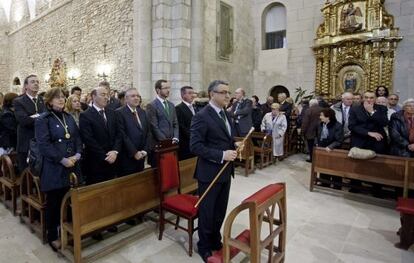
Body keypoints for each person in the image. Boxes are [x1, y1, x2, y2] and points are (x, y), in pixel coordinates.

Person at [190, 80, 237, 262]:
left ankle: (215, 240)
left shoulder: (225, 113)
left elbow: (225, 139)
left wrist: (234, 144)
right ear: (212, 94)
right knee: (207, 213)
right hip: (209, 173)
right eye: (223, 92)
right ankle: (204, 246)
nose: (227, 95)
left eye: (228, 92)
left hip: (225, 171)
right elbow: (195, 146)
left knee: (219, 211)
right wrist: (222, 155)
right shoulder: (202, 116)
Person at [35, 88, 82, 252]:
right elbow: (44, 145)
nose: (61, 100)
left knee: (69, 199)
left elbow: (76, 137)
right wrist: (61, 160)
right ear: (49, 101)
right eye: (57, 98)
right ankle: (52, 234)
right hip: (54, 166)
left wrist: (77, 154)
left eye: (63, 97)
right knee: (54, 202)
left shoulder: (68, 117)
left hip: (72, 164)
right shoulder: (43, 119)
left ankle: (68, 228)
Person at [79, 85, 122, 185]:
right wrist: (105, 156)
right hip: (96, 162)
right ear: (93, 96)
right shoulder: (85, 115)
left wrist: (115, 152)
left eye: (107, 95)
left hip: (114, 159)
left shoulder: (112, 113)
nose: (106, 97)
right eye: (103, 94)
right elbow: (88, 139)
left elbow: (119, 134)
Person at [348, 91, 388, 195]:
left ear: (375, 99)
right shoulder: (355, 109)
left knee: (377, 165)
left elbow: (384, 122)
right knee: (357, 164)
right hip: (360, 139)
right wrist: (368, 133)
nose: (368, 100)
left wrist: (372, 112)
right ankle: (355, 186)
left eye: (371, 97)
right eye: (366, 97)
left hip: (377, 141)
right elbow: (351, 126)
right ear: (362, 98)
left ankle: (376, 188)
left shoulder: (381, 108)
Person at [13, 75, 46, 173]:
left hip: (42, 140)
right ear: (26, 86)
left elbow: (48, 117)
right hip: (26, 141)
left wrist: (34, 116)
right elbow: (24, 121)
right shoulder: (18, 101)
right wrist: (41, 116)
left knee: (42, 172)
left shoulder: (43, 100)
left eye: (37, 82)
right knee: (26, 174)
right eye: (32, 82)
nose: (36, 83)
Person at [116, 88, 150, 176]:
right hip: (127, 157)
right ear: (126, 99)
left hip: (141, 155)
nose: (136, 98)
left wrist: (145, 150)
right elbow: (123, 135)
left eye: (138, 96)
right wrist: (134, 152)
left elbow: (148, 132)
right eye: (133, 96)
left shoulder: (142, 112)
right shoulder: (119, 113)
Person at [146, 79, 179, 166]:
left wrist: (175, 137)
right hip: (159, 146)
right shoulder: (152, 106)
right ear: (158, 90)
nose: (168, 90)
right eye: (165, 88)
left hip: (172, 145)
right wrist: (166, 141)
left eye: (169, 88)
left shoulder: (171, 105)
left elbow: (175, 124)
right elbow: (154, 126)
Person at [316, 108, 344, 189]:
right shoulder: (320, 124)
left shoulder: (337, 125)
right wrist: (317, 143)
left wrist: (330, 146)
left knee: (335, 168)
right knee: (324, 166)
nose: (320, 117)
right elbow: (317, 135)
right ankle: (325, 182)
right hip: (323, 149)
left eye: (321, 115)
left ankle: (337, 185)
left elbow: (339, 140)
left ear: (328, 117)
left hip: (334, 150)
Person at [175, 86, 196, 160]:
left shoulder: (195, 107)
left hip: (195, 144)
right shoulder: (178, 108)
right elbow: (181, 127)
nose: (193, 95)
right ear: (183, 95)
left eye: (193, 93)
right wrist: (194, 137)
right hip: (186, 145)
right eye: (190, 93)